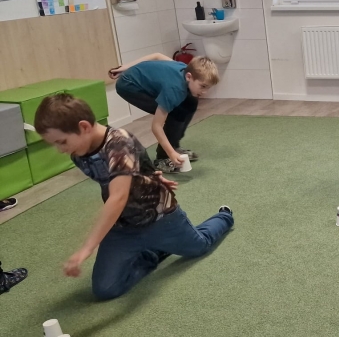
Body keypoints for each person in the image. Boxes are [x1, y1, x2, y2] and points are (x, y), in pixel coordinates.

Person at [34, 93, 234, 300]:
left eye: (62, 142)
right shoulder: (79, 153)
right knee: (105, 289)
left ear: (84, 127)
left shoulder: (119, 142)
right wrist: (152, 177)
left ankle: (224, 217)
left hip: (160, 218)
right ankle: (154, 252)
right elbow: (136, 167)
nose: (60, 150)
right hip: (123, 226)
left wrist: (87, 248)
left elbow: (118, 197)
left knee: (199, 247)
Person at [108, 53, 219, 173]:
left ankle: (174, 146)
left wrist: (126, 67)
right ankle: (162, 158)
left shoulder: (184, 68)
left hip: (137, 78)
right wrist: (170, 153)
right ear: (189, 76)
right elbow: (156, 126)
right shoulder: (174, 90)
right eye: (203, 86)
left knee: (191, 101)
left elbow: (157, 56)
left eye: (208, 88)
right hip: (128, 86)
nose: (205, 92)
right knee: (175, 112)